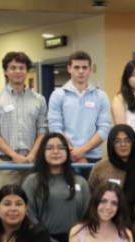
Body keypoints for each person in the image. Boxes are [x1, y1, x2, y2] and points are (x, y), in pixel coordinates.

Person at [0, 51, 48, 191]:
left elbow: (42, 130)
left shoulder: (39, 100)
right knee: (8, 205)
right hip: (7, 164)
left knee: (33, 206)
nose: (17, 71)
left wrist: (31, 156)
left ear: (27, 71)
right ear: (5, 71)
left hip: (33, 164)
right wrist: (14, 155)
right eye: (13, 68)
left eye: (21, 68)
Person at [89, 125, 135, 242]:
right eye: (117, 141)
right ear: (111, 143)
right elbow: (92, 199)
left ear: (134, 142)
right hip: (107, 229)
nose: (122, 145)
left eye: (127, 140)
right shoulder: (100, 167)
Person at [48, 50, 111, 179]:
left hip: (93, 157)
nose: (81, 71)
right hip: (65, 155)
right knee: (67, 196)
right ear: (69, 69)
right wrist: (72, 152)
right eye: (76, 67)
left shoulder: (101, 96)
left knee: (92, 196)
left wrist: (83, 150)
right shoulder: (57, 95)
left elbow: (104, 128)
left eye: (84, 67)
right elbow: (55, 127)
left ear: (90, 69)